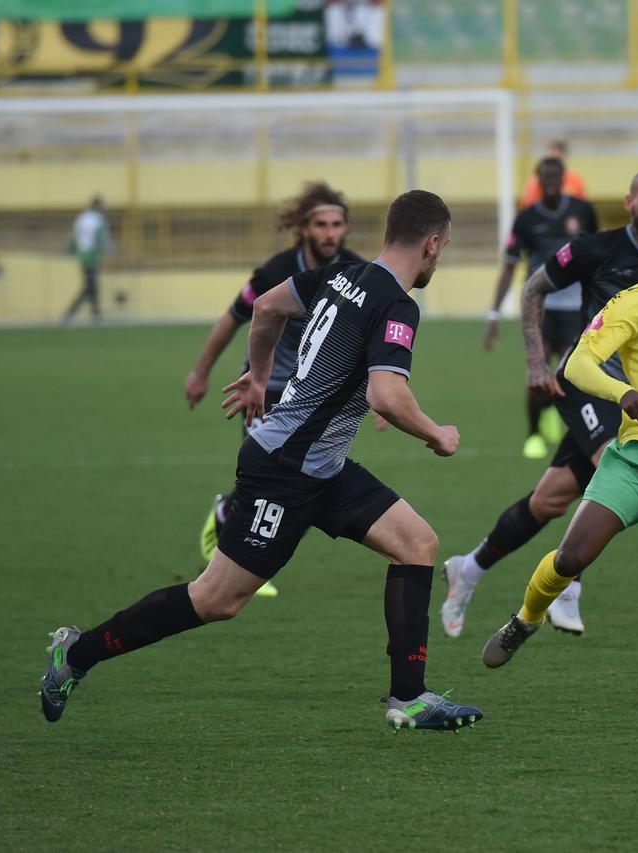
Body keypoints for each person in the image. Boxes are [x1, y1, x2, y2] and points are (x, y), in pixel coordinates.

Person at [39, 190, 484, 732]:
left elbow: (267, 307)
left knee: (417, 544)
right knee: (216, 600)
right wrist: (437, 434)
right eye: (444, 247)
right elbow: (386, 396)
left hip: (322, 466)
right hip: (285, 469)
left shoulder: (342, 275)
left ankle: (409, 697)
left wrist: (259, 374)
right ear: (432, 244)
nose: (441, 257)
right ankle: (76, 653)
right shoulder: (397, 305)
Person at [481, 212, 638, 710]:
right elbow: (576, 364)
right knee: (572, 558)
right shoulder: (632, 303)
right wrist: (622, 393)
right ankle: (525, 620)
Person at [440, 169, 638, 639]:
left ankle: (468, 569)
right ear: (629, 202)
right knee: (616, 467)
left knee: (548, 501)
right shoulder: (595, 249)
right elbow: (534, 287)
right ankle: (568, 587)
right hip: (586, 381)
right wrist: (535, 362)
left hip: (634, 397)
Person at [185, 182, 365, 598]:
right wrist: (200, 373)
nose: (330, 233)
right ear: (303, 229)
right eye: (321, 225)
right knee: (271, 480)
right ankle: (239, 566)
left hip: (314, 398)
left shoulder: (357, 273)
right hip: (264, 389)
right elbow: (232, 318)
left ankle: (228, 516)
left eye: (337, 224)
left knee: (299, 481)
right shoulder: (274, 271)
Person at [486, 158, 599, 459]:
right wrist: (493, 314)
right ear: (537, 180)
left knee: (570, 373)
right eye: (545, 176)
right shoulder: (526, 218)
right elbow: (510, 266)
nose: (550, 181)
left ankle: (555, 411)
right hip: (540, 306)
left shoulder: (583, 211)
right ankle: (533, 434)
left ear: (564, 178)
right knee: (538, 370)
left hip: (574, 306)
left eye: (555, 175)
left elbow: (596, 256)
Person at [62, 195, 113, 324]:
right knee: (89, 287)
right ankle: (70, 314)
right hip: (92, 256)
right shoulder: (98, 219)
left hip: (82, 255)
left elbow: (73, 236)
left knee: (92, 286)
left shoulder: (82, 218)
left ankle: (96, 314)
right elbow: (100, 239)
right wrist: (108, 249)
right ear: (99, 206)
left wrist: (70, 250)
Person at [518, 140, 588, 208]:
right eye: (551, 156)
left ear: (564, 156)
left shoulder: (575, 180)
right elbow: (527, 204)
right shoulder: (536, 180)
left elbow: (583, 204)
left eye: (556, 156)